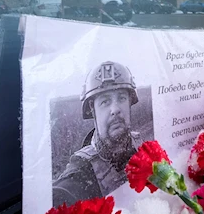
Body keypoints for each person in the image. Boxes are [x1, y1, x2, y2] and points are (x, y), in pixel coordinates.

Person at [52, 61, 143, 206]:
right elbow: (63, 193)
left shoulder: (142, 146)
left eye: (121, 98)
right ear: (92, 110)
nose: (115, 109)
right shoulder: (82, 173)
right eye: (105, 102)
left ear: (129, 102)